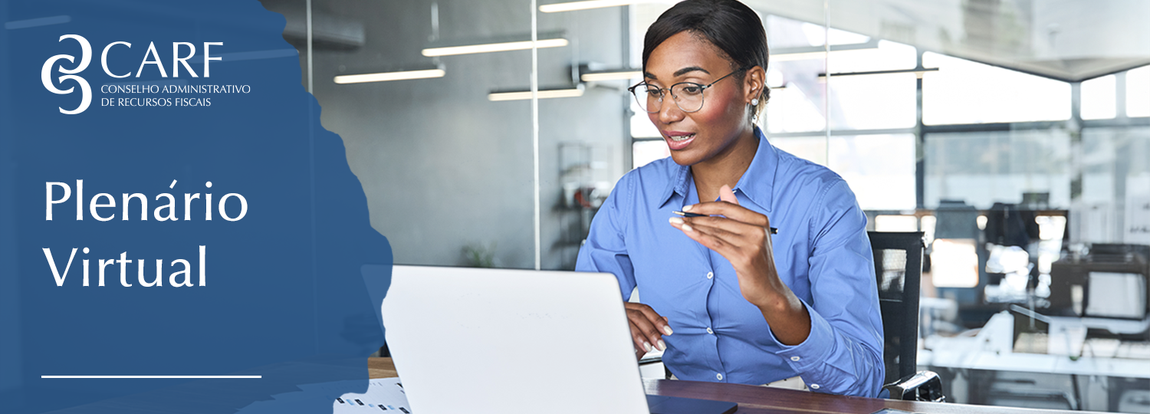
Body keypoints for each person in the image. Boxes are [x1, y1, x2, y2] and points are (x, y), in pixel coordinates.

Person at [574, 0, 884, 397]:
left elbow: (864, 384)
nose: (665, 112)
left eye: (690, 89)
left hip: (793, 406)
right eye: (654, 90)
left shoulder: (821, 200)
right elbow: (575, 331)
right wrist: (606, 328)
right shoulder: (633, 196)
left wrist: (776, 299)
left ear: (751, 84)